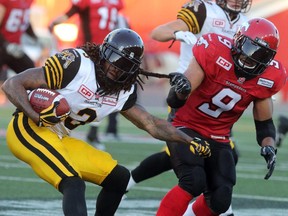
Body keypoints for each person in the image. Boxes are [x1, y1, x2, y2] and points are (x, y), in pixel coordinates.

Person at [1, 28, 211, 216]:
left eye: (123, 65)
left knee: (119, 178)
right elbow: (13, 84)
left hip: (60, 137)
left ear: (132, 70)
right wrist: (35, 115)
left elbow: (151, 124)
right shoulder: (76, 65)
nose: (114, 67)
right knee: (73, 183)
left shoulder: (123, 90)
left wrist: (187, 140)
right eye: (112, 58)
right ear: (103, 52)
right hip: (29, 129)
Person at [127, 0, 251, 215]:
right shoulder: (204, 11)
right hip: (190, 94)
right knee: (190, 154)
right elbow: (158, 33)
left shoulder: (246, 23)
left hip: (219, 99)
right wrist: (177, 34)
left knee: (214, 154)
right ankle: (130, 181)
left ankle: (215, 201)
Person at [155, 17, 285, 216]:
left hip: (219, 136)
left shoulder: (269, 77)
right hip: (185, 125)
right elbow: (175, 101)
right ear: (238, 39)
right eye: (250, 48)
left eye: (261, 54)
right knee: (193, 180)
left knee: (221, 199)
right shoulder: (214, 50)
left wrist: (268, 145)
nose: (251, 57)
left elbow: (264, 124)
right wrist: (180, 89)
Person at [49, 0, 126, 149]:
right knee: (91, 91)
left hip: (94, 50)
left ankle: (90, 130)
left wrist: (53, 23)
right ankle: (59, 121)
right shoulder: (115, 3)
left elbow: (68, 14)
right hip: (102, 52)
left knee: (101, 92)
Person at [0, 0, 39, 104]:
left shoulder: (28, 2)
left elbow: (24, 20)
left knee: (32, 74)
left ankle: (36, 104)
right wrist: (6, 44)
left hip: (14, 49)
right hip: (3, 45)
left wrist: (36, 38)